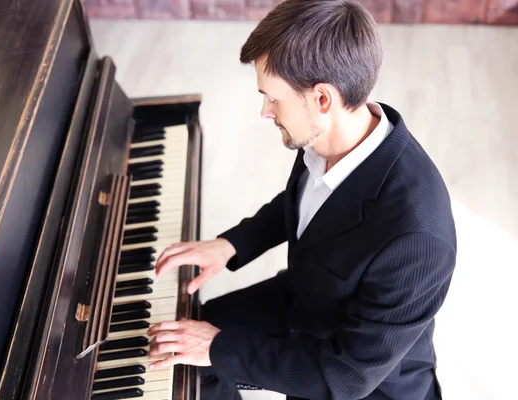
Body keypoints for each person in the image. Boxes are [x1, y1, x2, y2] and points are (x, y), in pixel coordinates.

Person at [146, 0, 457, 399]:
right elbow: (306, 203)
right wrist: (230, 245)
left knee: (203, 351)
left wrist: (218, 347)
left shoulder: (417, 237)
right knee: (178, 344)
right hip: (306, 300)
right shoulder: (325, 136)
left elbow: (344, 377)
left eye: (273, 98)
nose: (264, 111)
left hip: (357, 377)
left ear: (322, 98)